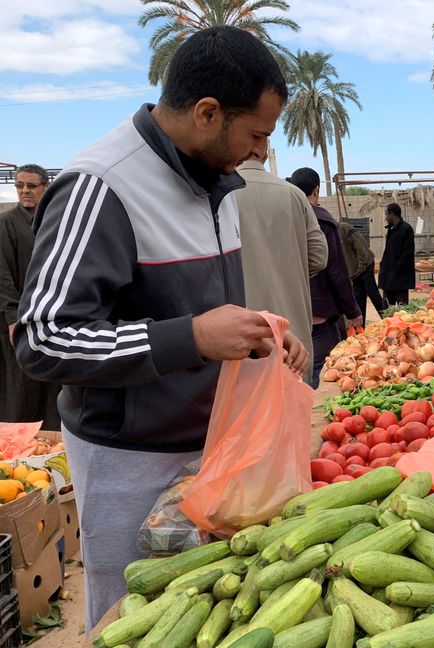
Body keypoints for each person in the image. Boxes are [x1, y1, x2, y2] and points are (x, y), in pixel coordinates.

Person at [13, 27, 309, 631]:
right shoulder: (102, 186)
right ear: (206, 114)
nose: (258, 152)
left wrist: (262, 334)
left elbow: (199, 304)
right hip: (128, 456)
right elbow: (42, 337)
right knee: (133, 619)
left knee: (204, 617)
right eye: (256, 134)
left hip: (210, 447)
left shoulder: (215, 183)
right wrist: (191, 338)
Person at [235, 151, 328, 384]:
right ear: (264, 153)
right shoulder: (293, 194)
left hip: (238, 335)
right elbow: (319, 257)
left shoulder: (217, 193)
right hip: (292, 333)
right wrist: (287, 270)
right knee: (294, 405)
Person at [290, 167, 363, 389]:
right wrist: (352, 311)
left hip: (288, 311)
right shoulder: (321, 221)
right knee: (318, 370)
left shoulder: (282, 217)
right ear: (317, 190)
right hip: (319, 312)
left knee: (293, 371)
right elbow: (336, 271)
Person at [0, 164, 61, 429]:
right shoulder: (5, 224)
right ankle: (15, 456)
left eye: (31, 186)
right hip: (17, 325)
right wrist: (13, 320)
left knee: (54, 390)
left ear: (45, 187)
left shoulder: (55, 222)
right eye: (19, 186)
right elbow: (2, 278)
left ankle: (50, 448)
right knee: (20, 392)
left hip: (52, 321)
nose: (24, 191)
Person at [338, 220, 386, 326]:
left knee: (372, 292)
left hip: (365, 266)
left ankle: (386, 319)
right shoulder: (331, 236)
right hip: (355, 272)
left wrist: (362, 265)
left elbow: (360, 244)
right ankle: (360, 327)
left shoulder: (343, 228)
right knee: (358, 297)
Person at [378, 203, 415, 305]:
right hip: (389, 277)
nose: (386, 217)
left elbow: (408, 253)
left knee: (401, 309)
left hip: (400, 278)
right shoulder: (390, 229)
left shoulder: (406, 229)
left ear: (392, 214)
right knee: (387, 307)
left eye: (387, 214)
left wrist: (398, 266)